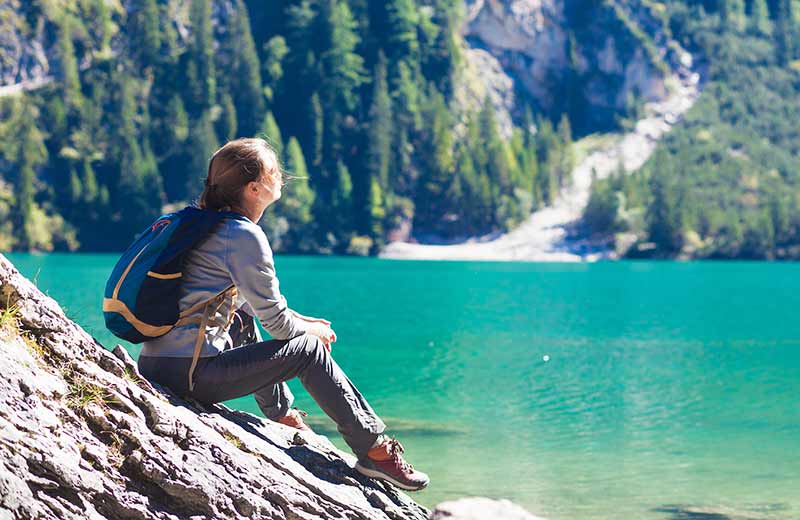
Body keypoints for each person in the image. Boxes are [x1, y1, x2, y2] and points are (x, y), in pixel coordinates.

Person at [136, 137, 429, 491]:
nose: (282, 175)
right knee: (308, 351)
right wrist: (311, 335)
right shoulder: (241, 236)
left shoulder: (198, 224)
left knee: (245, 319)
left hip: (154, 363)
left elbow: (249, 308)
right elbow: (276, 326)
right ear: (254, 188)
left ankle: (283, 417)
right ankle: (375, 451)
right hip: (189, 373)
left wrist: (306, 322)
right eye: (274, 170)